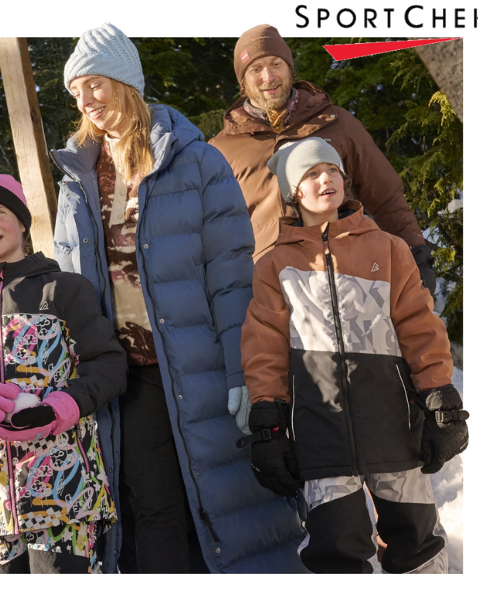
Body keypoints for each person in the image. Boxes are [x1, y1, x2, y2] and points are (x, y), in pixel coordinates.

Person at [50, 23, 307, 574]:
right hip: (122, 376)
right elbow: (71, 284)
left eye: (94, 84)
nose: (85, 100)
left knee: (222, 506)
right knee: (151, 510)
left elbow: (230, 277)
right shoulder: (77, 177)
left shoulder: (194, 161)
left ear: (124, 81)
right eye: (76, 91)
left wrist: (243, 371)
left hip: (198, 365)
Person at [239, 137, 469, 574]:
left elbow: (420, 328)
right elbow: (264, 347)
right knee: (336, 548)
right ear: (293, 192)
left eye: (333, 170)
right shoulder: (274, 266)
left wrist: (439, 396)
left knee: (416, 540)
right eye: (311, 174)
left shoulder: (387, 248)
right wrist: (269, 420)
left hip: (392, 424)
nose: (326, 178)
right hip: (319, 431)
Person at [0, 170, 128, 574]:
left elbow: (109, 366)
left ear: (21, 220)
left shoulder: (64, 289)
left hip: (65, 492)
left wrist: (59, 408)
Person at [209, 24, 436, 292]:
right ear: (243, 82)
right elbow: (217, 232)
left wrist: (415, 253)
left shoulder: (337, 123)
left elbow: (386, 196)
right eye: (256, 69)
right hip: (270, 288)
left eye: (276, 64)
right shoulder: (222, 149)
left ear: (290, 69)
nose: (268, 77)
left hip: (350, 278)